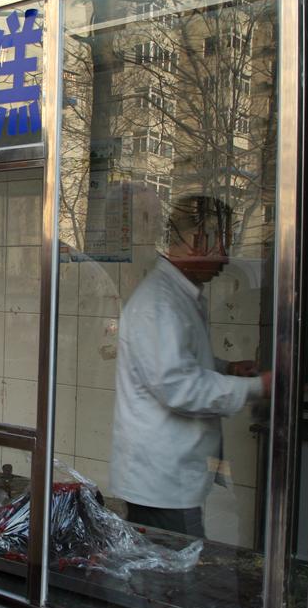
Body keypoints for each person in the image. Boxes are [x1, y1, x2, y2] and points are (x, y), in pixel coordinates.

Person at [110, 195, 271, 538]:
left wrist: (227, 368)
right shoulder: (159, 303)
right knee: (172, 564)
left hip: (174, 474)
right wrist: (258, 386)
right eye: (223, 244)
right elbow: (178, 387)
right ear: (198, 240)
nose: (226, 259)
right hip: (161, 481)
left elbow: (178, 361)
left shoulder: (179, 295)